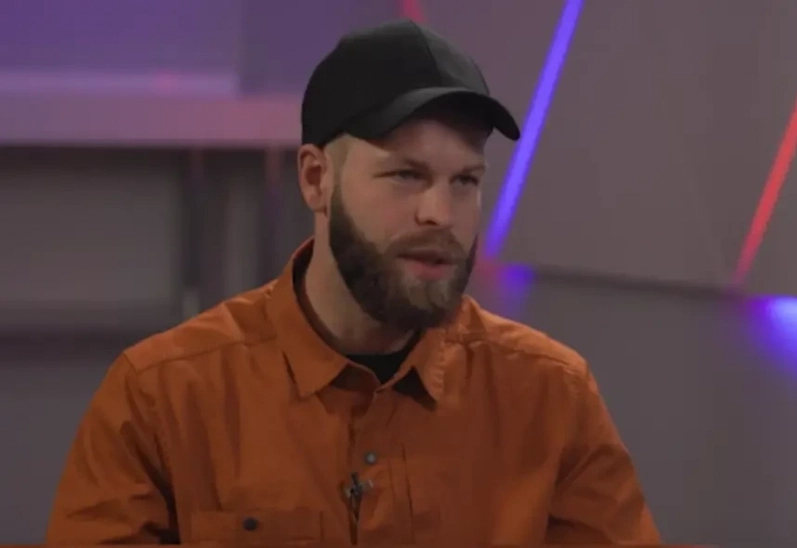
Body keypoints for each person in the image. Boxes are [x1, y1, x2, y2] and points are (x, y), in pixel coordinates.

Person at [46, 19, 660, 545]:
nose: (440, 215)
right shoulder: (161, 399)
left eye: (465, 181)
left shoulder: (551, 398)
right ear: (316, 180)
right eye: (405, 176)